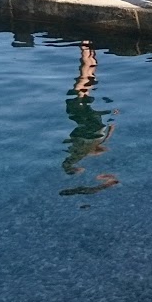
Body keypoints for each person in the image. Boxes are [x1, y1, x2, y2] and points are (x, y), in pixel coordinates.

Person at [60, 41, 118, 196]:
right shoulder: (86, 147)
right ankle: (87, 50)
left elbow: (103, 141)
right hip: (86, 122)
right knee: (86, 79)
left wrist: (112, 124)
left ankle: (87, 50)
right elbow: (103, 141)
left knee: (85, 79)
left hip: (87, 122)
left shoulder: (85, 148)